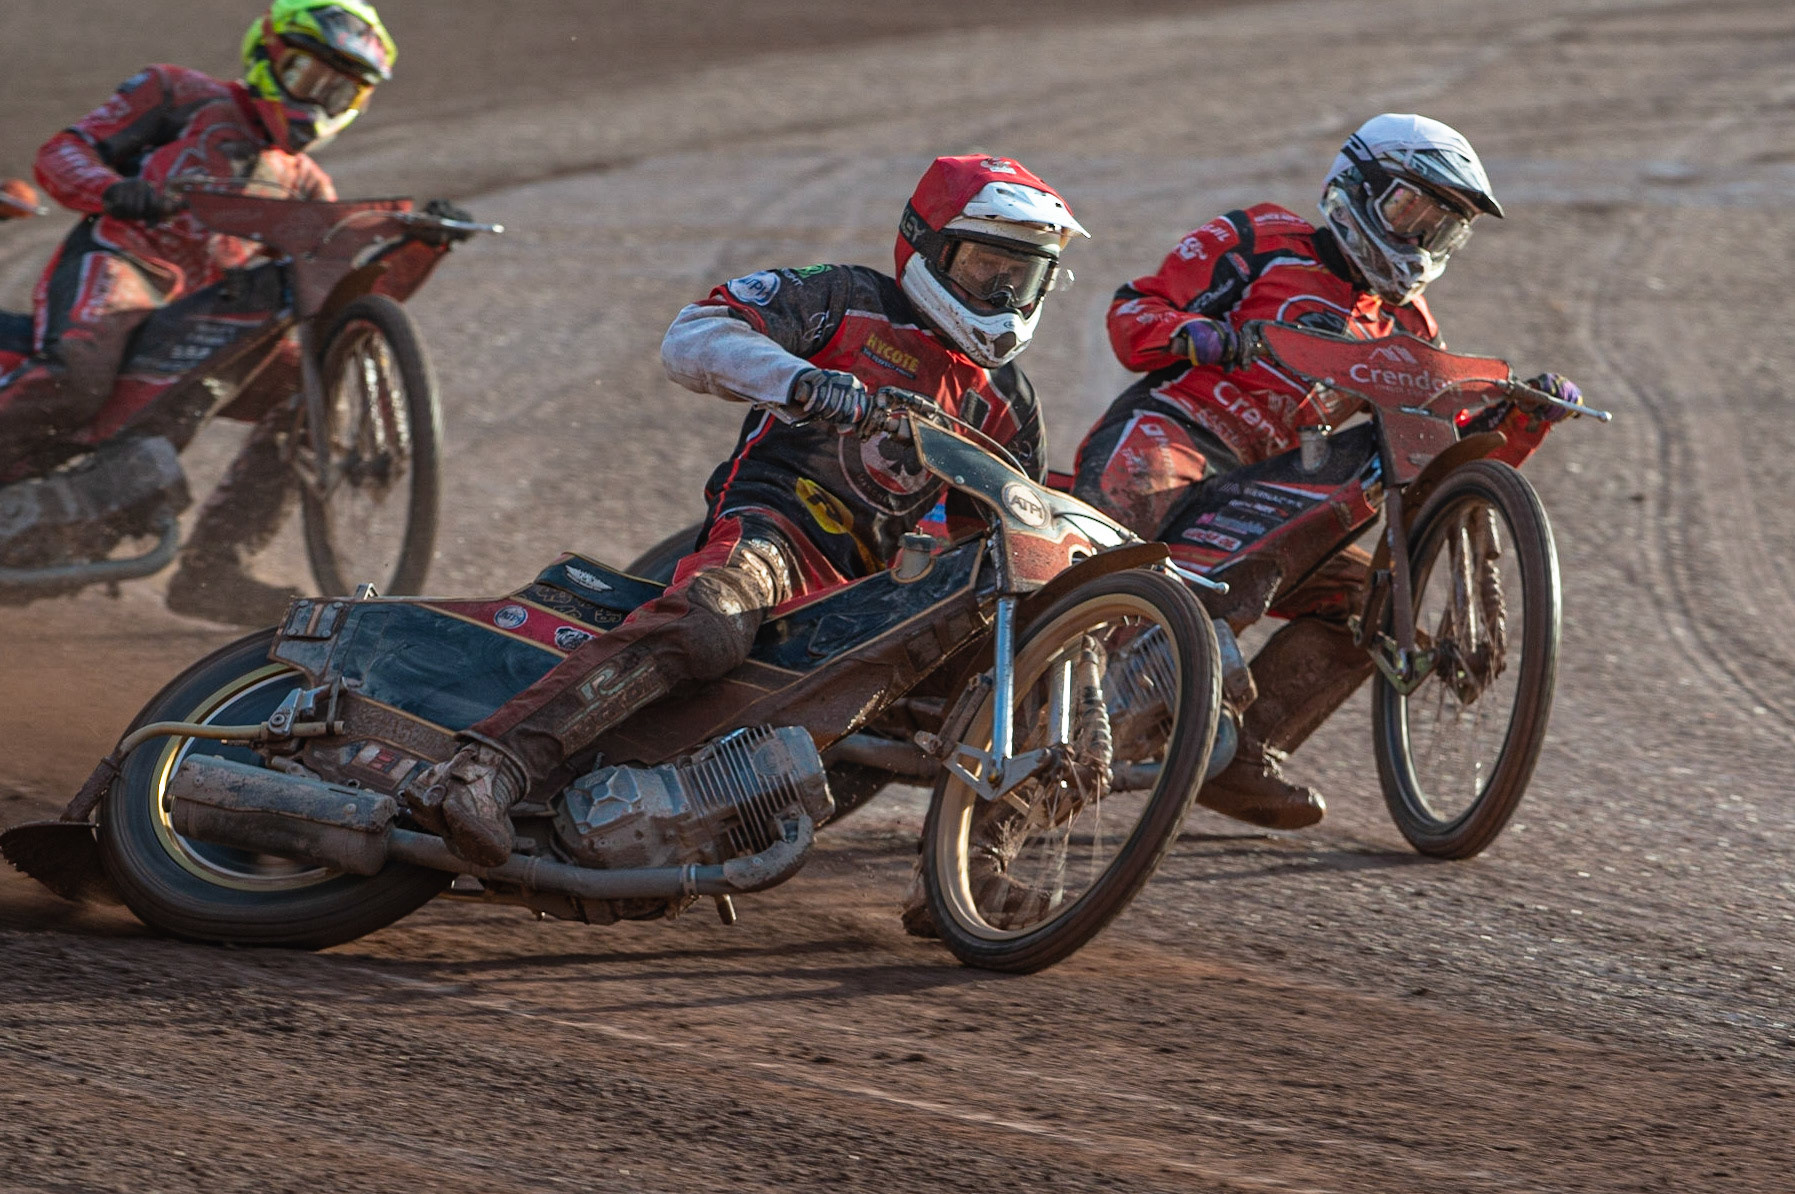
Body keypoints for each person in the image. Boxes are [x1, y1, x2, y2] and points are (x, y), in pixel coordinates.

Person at [409, 153, 1087, 868]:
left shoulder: (1009, 401)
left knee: (1020, 659)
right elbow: (693, 336)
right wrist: (808, 384)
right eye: (988, 268)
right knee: (712, 624)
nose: (1005, 293)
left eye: (1024, 276)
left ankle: (975, 868)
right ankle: (487, 768)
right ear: (928, 248)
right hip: (779, 530)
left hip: (881, 593)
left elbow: (1003, 536)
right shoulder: (846, 298)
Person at [1073, 113, 1581, 830]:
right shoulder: (1260, 239)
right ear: (1356, 187)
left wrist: (1519, 421)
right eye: (1409, 211)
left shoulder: (1408, 329)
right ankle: (1048, 700)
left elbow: (1427, 465)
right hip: (1174, 432)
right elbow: (1133, 312)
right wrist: (1205, 336)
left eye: (1441, 228)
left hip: (1270, 480)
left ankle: (1244, 754)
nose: (1418, 240)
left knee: (1365, 601)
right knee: (1120, 539)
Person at [0, 0, 397, 622]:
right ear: (266, 56)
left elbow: (324, 270)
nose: (316, 100)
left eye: (338, 89)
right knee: (74, 372)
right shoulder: (175, 91)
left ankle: (217, 569)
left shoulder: (307, 184)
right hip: (124, 263)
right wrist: (113, 190)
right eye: (305, 76)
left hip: (207, 312)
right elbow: (61, 154)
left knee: (315, 394)